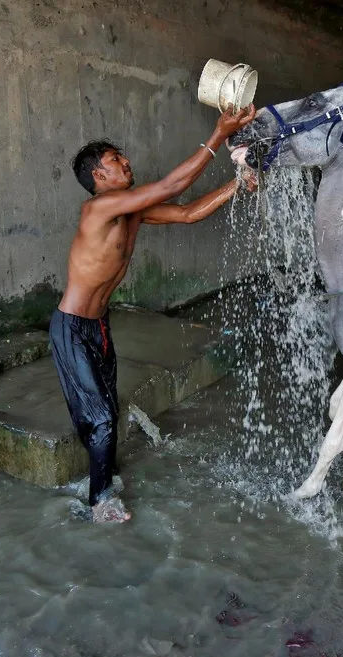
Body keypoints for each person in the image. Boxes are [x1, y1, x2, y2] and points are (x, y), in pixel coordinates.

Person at [53, 105, 258, 523]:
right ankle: (99, 501)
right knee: (102, 416)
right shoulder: (98, 210)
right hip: (71, 328)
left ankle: (100, 476)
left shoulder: (131, 210)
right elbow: (171, 185)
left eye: (122, 156)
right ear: (98, 175)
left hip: (98, 326)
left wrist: (237, 185)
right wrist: (217, 135)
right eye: (115, 160)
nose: (125, 162)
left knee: (107, 406)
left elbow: (186, 212)